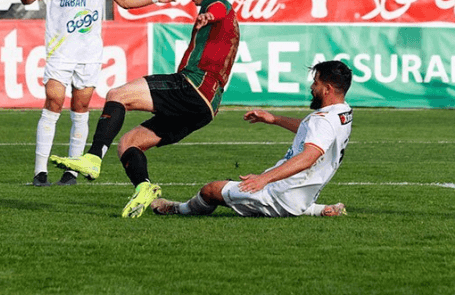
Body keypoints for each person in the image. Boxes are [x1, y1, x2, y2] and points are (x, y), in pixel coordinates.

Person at [51, 0, 239, 217]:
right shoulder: (226, 14)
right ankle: (143, 188)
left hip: (194, 86)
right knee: (129, 143)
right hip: (206, 109)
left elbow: (217, 5)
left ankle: (93, 157)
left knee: (117, 95)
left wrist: (209, 13)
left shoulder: (215, 3)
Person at [20, 0, 179, 187]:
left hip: (89, 54)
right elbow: (28, 0)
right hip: (60, 52)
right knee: (53, 103)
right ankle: (40, 172)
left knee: (80, 109)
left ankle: (70, 172)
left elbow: (125, 1)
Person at [151, 60, 353, 219]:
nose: (312, 87)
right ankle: (316, 209)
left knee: (210, 190)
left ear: (327, 89)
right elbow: (311, 129)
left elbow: (308, 157)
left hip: (279, 195)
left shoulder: (324, 121)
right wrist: (274, 119)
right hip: (301, 193)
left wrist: (263, 179)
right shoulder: (342, 113)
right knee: (277, 196)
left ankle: (178, 209)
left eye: (315, 83)